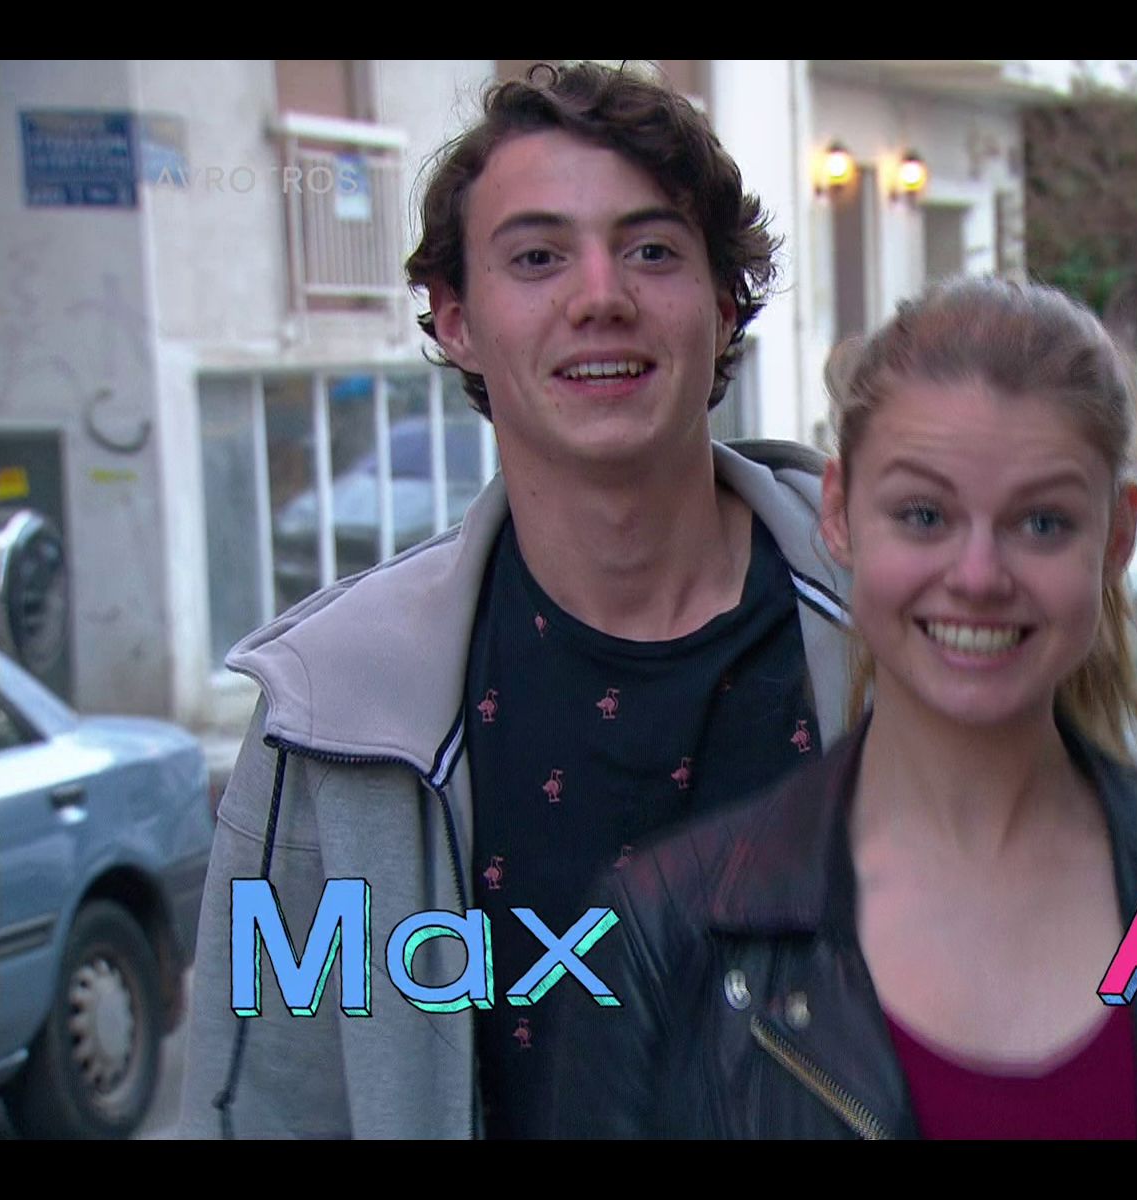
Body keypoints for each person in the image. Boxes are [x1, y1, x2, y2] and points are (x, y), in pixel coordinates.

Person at [177, 62, 855, 1139]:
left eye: (652, 250)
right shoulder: (333, 713)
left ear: (724, 304)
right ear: (455, 320)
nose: (601, 296)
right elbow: (266, 1109)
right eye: (538, 257)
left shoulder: (902, 622)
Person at [551, 278, 1137, 1139]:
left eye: (1042, 523)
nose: (978, 576)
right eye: (924, 515)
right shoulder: (666, 936)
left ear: (1117, 535)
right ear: (839, 514)